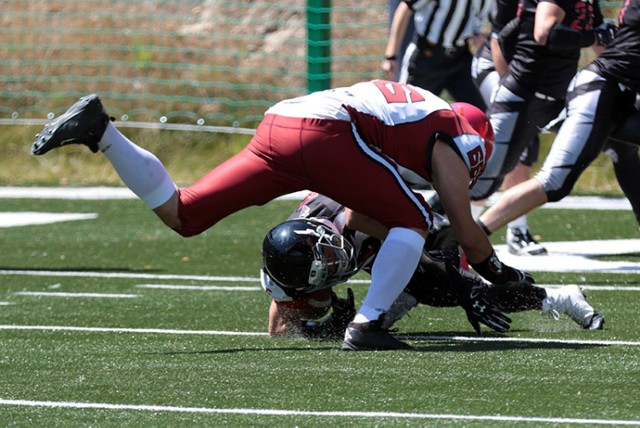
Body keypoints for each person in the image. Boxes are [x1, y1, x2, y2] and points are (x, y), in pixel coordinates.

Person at [31, 79, 533, 351]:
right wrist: (498, 272)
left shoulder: (417, 114)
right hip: (325, 132)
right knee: (416, 221)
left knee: (184, 214)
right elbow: (465, 229)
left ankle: (101, 132)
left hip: (282, 120)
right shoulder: (453, 131)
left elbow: (367, 205)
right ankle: (367, 324)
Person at [261, 192, 604, 338]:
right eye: (328, 269)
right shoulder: (290, 262)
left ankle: (557, 297)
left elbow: (416, 241)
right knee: (340, 320)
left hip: (416, 223)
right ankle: (393, 298)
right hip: (380, 241)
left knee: (452, 291)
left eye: (333, 256)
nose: (338, 265)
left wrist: (458, 284)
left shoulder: (355, 216)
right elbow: (278, 329)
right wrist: (318, 331)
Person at [477, 0, 640, 236]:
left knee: (623, 153)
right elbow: (543, 32)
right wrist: (593, 36)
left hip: (610, 94)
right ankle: (466, 236)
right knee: (552, 181)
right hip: (595, 92)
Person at [471, 0, 548, 256]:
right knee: (510, 142)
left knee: (525, 143)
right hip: (496, 67)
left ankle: (513, 228)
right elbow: (497, 41)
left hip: (528, 76)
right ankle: (464, 227)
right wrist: (510, 91)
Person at [382, 0, 490, 110]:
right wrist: (391, 55)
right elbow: (405, 7)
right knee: (407, 111)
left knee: (481, 114)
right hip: (426, 58)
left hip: (461, 57)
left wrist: (482, 36)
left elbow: (496, 21)